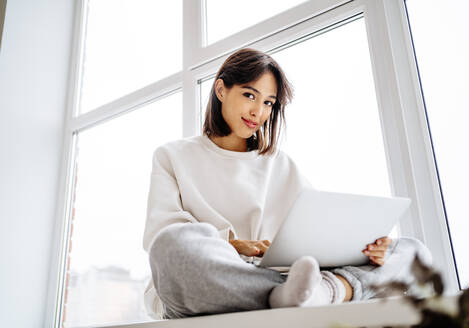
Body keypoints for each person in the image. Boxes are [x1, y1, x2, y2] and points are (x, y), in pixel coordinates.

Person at [142, 48, 433, 320]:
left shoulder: (281, 164)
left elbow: (321, 232)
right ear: (221, 90)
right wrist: (233, 245)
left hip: (287, 278)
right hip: (217, 282)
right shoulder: (173, 156)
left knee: (412, 251)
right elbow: (163, 235)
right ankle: (296, 294)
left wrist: (368, 248)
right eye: (249, 95)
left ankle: (319, 291)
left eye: (268, 102)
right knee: (172, 248)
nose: (259, 112)